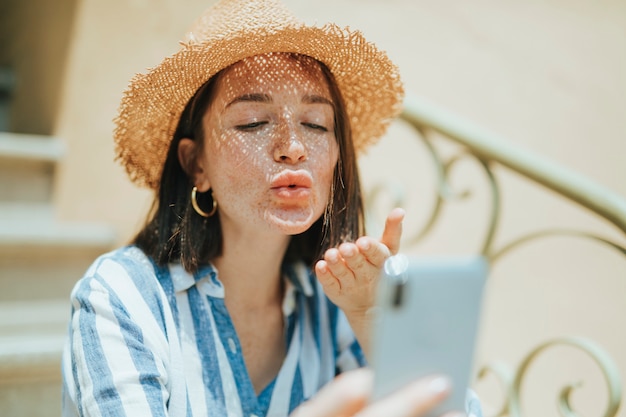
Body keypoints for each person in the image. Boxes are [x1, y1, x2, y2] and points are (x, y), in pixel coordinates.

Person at [61, 0, 483, 416]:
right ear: (196, 164)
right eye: (252, 123)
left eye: (316, 124)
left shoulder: (340, 302)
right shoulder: (124, 298)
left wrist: (377, 324)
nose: (293, 148)